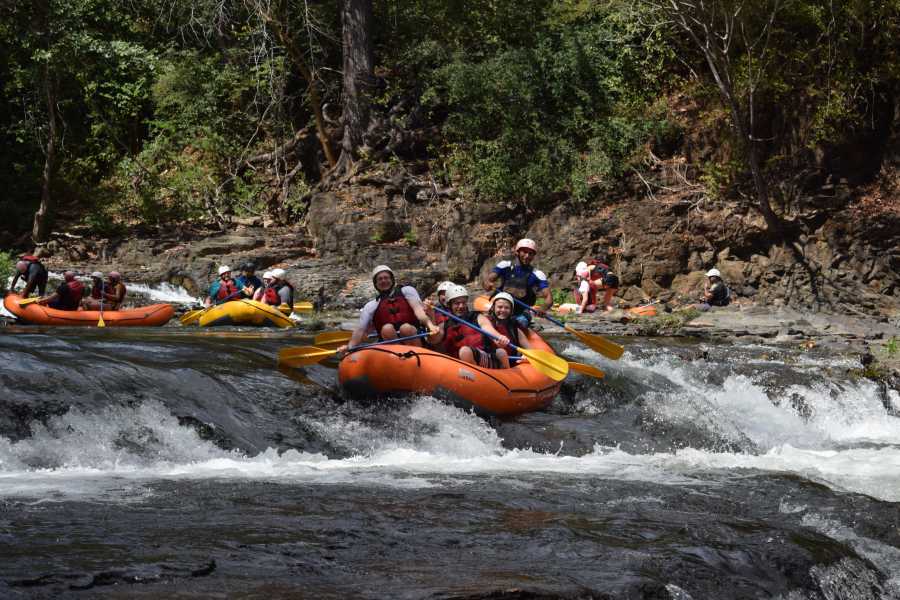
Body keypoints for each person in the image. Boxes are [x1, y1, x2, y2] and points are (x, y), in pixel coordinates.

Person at [337, 265, 439, 354]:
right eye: (380, 279)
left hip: (412, 337)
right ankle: (400, 357)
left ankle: (418, 355)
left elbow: (419, 312)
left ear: (392, 280)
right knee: (387, 329)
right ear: (375, 284)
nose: (383, 281)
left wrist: (430, 326)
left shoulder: (407, 291)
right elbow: (360, 330)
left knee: (406, 328)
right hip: (391, 344)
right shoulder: (371, 305)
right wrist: (350, 347)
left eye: (386, 278)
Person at [483, 238, 552, 330]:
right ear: (517, 252)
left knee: (519, 323)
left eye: (530, 253)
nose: (527, 256)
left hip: (521, 312)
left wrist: (543, 308)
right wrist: (488, 284)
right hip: (501, 309)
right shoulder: (505, 265)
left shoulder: (537, 274)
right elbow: (487, 282)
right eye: (524, 252)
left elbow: (549, 298)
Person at [427, 284, 484, 361]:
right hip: (456, 363)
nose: (461, 306)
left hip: (478, 359)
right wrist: (431, 315)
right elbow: (434, 340)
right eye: (457, 303)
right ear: (450, 305)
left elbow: (488, 327)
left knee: (466, 352)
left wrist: (498, 337)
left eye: (463, 303)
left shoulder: (476, 317)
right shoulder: (445, 324)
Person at [474, 292, 531, 369]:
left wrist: (527, 355)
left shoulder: (515, 330)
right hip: (488, 363)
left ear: (511, 310)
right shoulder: (485, 322)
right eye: (500, 307)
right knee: (500, 352)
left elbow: (530, 349)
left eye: (507, 308)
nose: (503, 310)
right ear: (493, 308)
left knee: (501, 352)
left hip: (509, 365)